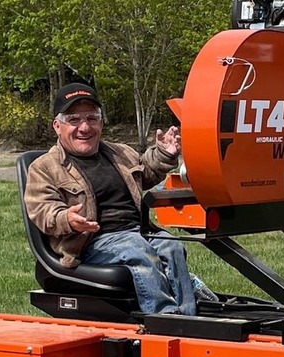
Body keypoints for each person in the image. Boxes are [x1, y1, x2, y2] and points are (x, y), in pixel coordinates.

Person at [24, 82, 197, 315]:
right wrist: (68, 219)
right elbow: (42, 210)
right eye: (74, 120)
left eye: (92, 119)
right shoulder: (44, 167)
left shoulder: (120, 153)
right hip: (90, 242)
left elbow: (145, 173)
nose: (84, 127)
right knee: (137, 248)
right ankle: (163, 319)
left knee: (171, 245)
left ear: (101, 122)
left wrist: (163, 153)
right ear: (57, 126)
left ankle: (190, 319)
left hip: (137, 231)